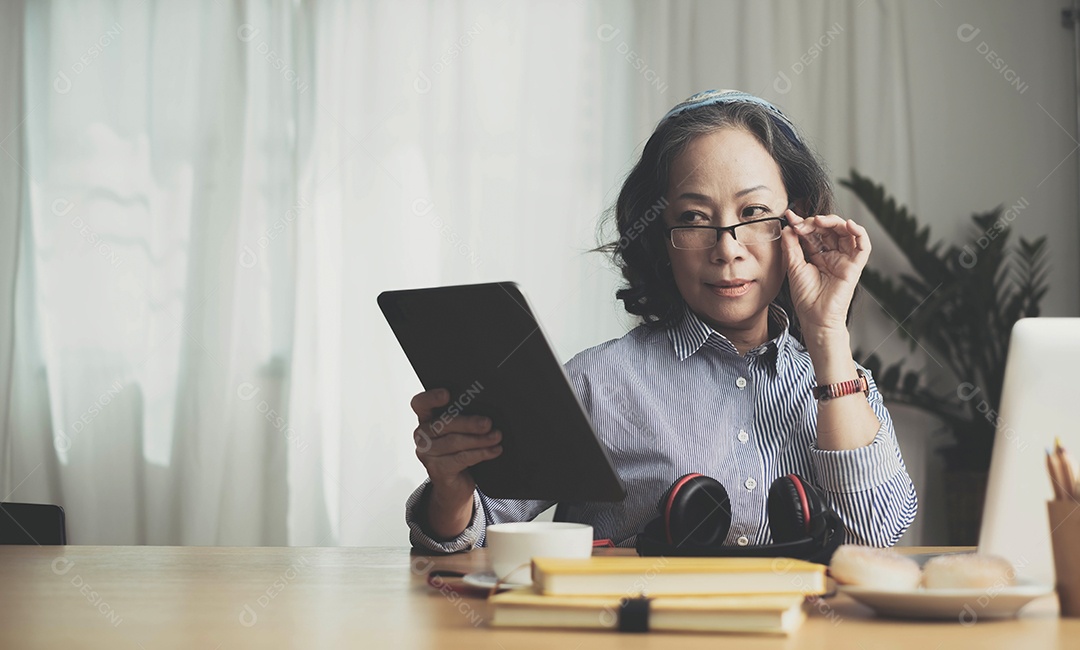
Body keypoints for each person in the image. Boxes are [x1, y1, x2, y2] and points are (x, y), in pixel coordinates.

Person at [404, 89, 918, 552]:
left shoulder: (844, 385)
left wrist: (828, 338)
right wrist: (451, 488)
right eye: (694, 218)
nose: (727, 249)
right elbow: (475, 536)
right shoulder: (595, 383)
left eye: (755, 212)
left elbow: (875, 535)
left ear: (796, 223)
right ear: (658, 232)